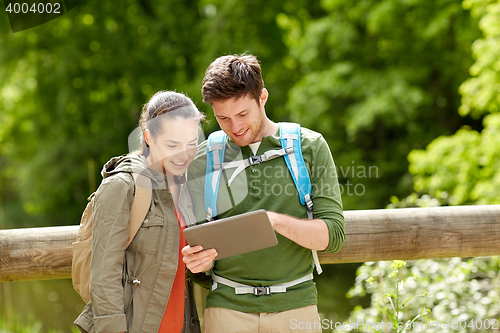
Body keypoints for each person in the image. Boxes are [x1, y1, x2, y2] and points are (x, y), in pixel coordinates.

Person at [182, 54, 345, 333]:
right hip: (226, 311)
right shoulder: (202, 160)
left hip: (296, 307)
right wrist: (199, 262)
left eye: (243, 114)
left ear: (263, 97)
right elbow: (195, 253)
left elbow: (333, 237)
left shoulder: (310, 147)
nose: (235, 127)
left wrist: (272, 221)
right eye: (223, 118)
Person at [74, 91, 204, 333]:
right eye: (172, 144)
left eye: (192, 143)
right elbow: (103, 277)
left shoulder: (187, 186)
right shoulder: (121, 186)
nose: (184, 154)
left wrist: (204, 264)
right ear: (148, 137)